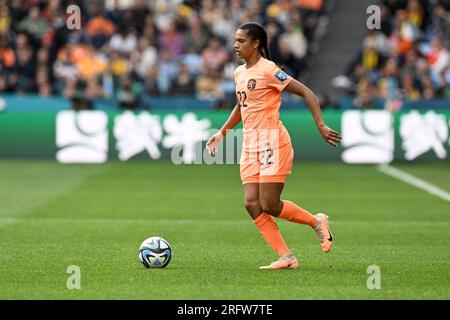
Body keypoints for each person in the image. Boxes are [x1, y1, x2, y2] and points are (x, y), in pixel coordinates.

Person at [206, 22, 341, 270]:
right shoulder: (239, 73)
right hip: (250, 144)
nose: (235, 45)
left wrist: (320, 125)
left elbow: (307, 93)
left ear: (256, 43)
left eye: (241, 41)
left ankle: (316, 222)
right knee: (251, 203)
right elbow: (242, 105)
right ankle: (286, 257)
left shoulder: (269, 70)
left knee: (269, 203)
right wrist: (222, 132)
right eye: (235, 40)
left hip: (272, 142)